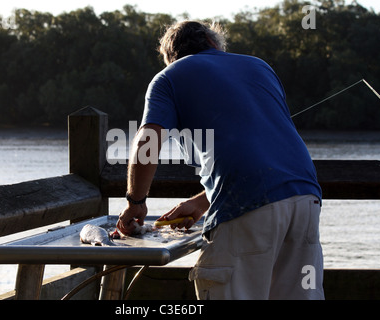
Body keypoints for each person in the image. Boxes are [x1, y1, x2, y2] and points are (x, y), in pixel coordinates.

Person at [116, 20, 324, 300]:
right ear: (213, 42)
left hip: (249, 211)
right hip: (305, 200)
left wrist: (135, 202)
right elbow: (263, 156)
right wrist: (202, 202)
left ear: (171, 58)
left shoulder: (168, 77)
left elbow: (148, 141)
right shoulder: (260, 67)